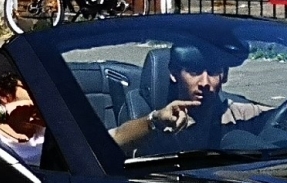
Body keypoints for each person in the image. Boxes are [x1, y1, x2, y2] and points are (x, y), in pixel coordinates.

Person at [109, 36, 278, 151]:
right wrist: (154, 123)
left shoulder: (240, 114)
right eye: (194, 72)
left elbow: (284, 115)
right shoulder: (165, 121)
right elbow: (113, 139)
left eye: (212, 72)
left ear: (224, 75)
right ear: (174, 74)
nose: (204, 82)